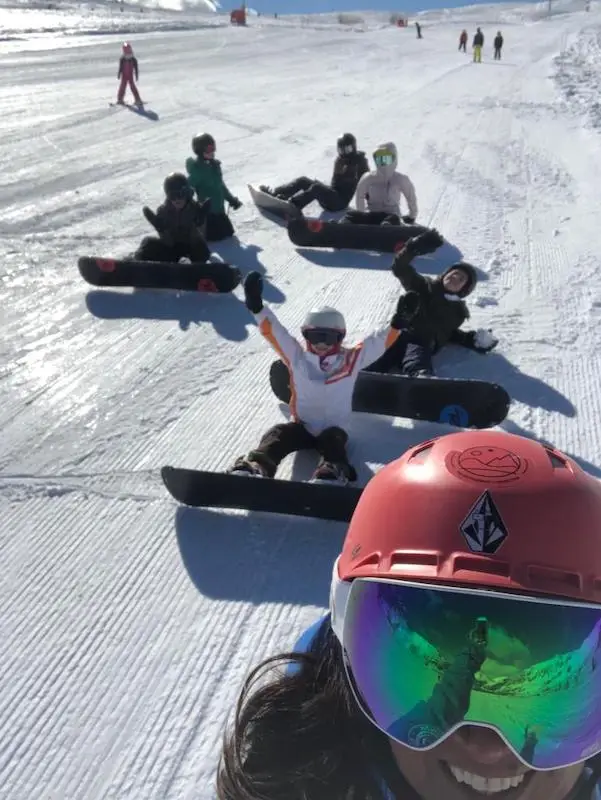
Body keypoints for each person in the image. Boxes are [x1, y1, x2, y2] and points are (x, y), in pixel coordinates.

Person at [217, 428, 601, 800]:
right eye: (414, 676)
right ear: (349, 671)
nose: (488, 749)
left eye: (550, 693)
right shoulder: (303, 779)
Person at [226, 233, 441, 484]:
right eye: (315, 336)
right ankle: (257, 465)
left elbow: (377, 342)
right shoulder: (296, 357)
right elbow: (276, 332)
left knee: (333, 442)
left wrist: (398, 323)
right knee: (278, 433)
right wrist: (256, 307)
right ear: (306, 336)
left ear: (339, 339)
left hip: (334, 429)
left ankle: (332, 469)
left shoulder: (351, 359)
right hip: (303, 426)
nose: (321, 344)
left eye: (328, 337)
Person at [365, 232, 498, 376]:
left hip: (421, 344)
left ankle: (420, 377)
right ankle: (358, 376)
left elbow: (447, 333)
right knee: (379, 358)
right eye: (453, 273)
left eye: (461, 279)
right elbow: (400, 268)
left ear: (464, 289)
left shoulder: (458, 312)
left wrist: (470, 340)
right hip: (400, 335)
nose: (455, 278)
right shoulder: (423, 286)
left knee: (418, 356)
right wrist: (411, 249)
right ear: (444, 275)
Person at [259, 133, 369, 214]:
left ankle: (294, 205)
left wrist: (372, 204)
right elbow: (335, 185)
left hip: (339, 203)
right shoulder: (340, 160)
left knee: (316, 188)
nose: (344, 153)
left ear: (354, 147)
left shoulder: (359, 162)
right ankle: (276, 193)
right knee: (303, 180)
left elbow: (368, 183)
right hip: (331, 196)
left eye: (347, 149)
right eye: (341, 150)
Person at [133, 172, 211, 263]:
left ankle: (196, 270)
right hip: (173, 250)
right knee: (148, 242)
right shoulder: (163, 211)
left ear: (186, 193)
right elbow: (168, 243)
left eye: (180, 194)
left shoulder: (196, 209)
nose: (177, 199)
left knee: (202, 250)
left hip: (191, 249)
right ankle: (135, 266)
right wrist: (161, 229)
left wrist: (198, 226)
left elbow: (198, 241)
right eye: (172, 196)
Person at [185, 133, 242, 241]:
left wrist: (231, 199)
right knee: (216, 239)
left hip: (220, 211)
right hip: (208, 215)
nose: (212, 152)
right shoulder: (198, 170)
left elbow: (221, 186)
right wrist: (191, 205)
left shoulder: (214, 166)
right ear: (199, 151)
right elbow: (188, 186)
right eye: (209, 149)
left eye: (213, 148)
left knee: (228, 236)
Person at [346, 142, 418, 226]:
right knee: (351, 215)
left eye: (386, 159)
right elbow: (359, 196)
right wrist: (361, 216)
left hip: (392, 216)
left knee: (393, 219)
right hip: (372, 215)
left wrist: (412, 216)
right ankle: (341, 226)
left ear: (394, 159)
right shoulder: (368, 178)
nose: (383, 162)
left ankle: (386, 227)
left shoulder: (400, 179)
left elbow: (411, 197)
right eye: (380, 159)